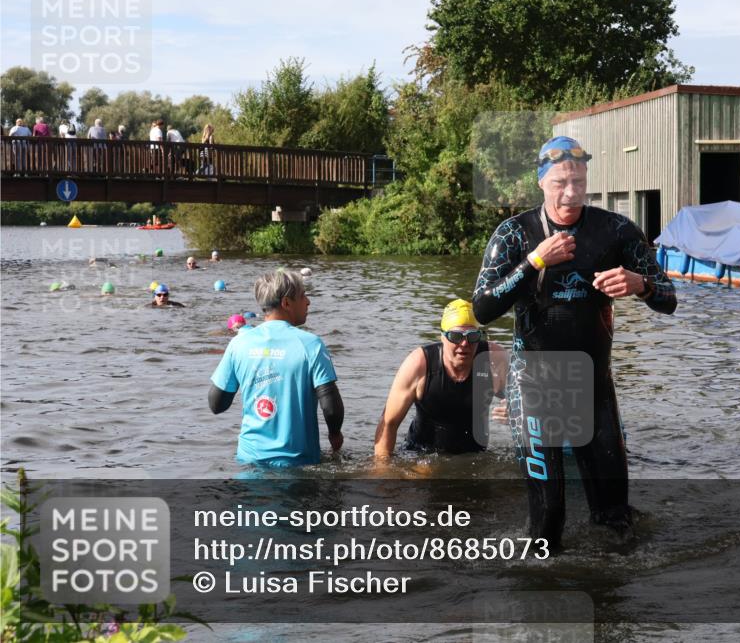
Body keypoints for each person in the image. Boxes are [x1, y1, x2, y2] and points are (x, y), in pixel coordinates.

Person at [472, 135, 678, 548]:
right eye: (561, 183)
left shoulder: (615, 230)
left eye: (579, 182)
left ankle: (610, 600)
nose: (571, 192)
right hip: (533, 383)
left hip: (594, 384)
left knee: (615, 515)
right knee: (548, 520)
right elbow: (482, 309)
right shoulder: (515, 235)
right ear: (541, 182)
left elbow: (668, 298)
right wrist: (534, 263)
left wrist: (640, 285)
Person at [208, 270, 344, 467]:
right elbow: (330, 406)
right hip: (298, 463)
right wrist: (335, 434)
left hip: (250, 461)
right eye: (303, 296)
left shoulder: (239, 343)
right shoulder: (311, 344)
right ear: (287, 303)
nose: (308, 302)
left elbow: (216, 404)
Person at [373, 300, 508, 458]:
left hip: (475, 456)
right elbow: (389, 423)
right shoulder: (419, 364)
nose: (464, 344)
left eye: (472, 336)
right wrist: (383, 470)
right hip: (421, 456)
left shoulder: (494, 358)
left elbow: (531, 400)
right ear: (442, 337)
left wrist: (515, 409)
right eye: (456, 336)